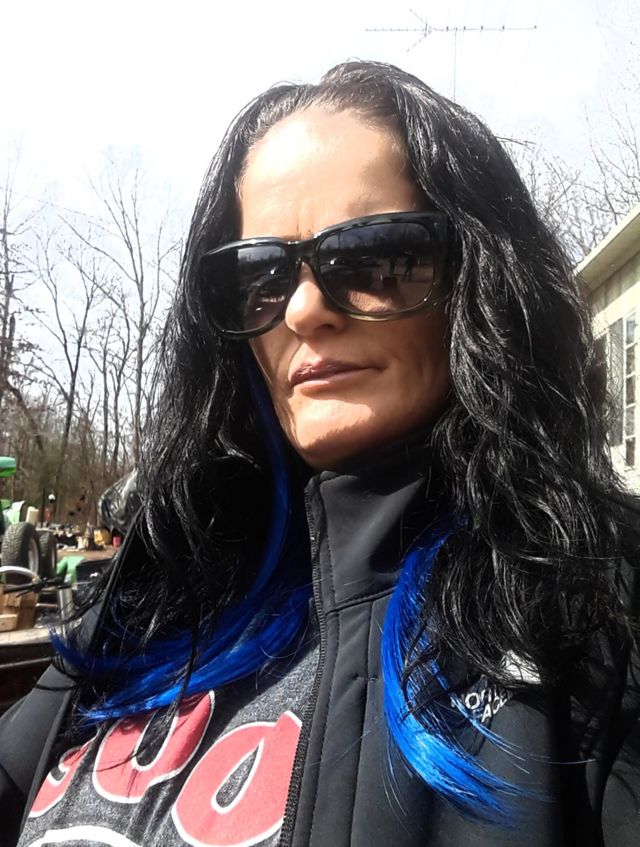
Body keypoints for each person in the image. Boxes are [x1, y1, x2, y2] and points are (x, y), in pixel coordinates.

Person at [1, 60, 639, 847]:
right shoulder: (154, 593)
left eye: (373, 258)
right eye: (259, 275)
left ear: (479, 280)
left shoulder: (595, 611)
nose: (302, 311)